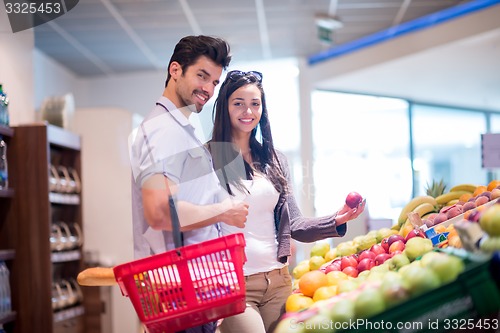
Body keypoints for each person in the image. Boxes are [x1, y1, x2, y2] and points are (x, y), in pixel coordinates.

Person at [209, 70, 365, 333]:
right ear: (225, 107)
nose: (248, 111)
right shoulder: (211, 158)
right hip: (234, 286)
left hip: (279, 280)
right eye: (238, 103)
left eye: (255, 103)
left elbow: (295, 225)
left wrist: (336, 219)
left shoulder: (273, 159)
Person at [128, 36, 249, 333]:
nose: (208, 89)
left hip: (195, 288)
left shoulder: (183, 128)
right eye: (202, 76)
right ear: (175, 70)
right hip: (176, 291)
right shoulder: (162, 130)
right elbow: (159, 212)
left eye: (214, 82)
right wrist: (223, 211)